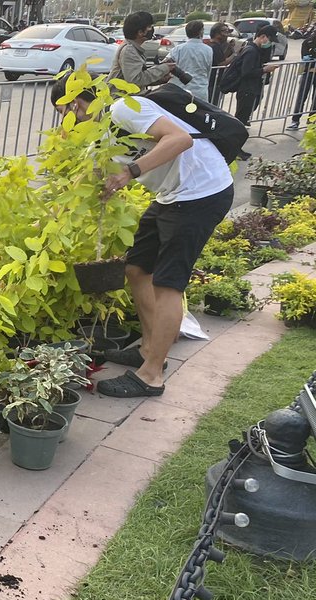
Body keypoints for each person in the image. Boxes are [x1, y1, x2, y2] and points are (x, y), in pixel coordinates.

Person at [50, 78, 232, 398]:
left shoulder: (124, 109)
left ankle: (151, 375)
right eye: (63, 112)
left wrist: (128, 173)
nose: (70, 116)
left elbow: (180, 139)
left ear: (82, 101)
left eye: (70, 107)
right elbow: (102, 177)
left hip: (202, 191)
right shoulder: (99, 138)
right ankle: (148, 349)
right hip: (171, 196)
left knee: (168, 283)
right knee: (136, 269)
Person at [229, 25, 282, 136]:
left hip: (250, 89)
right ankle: (235, 146)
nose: (270, 43)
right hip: (247, 89)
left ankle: (238, 144)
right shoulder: (251, 51)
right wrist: (264, 69)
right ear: (263, 36)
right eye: (270, 39)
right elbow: (246, 72)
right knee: (240, 120)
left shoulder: (255, 49)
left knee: (242, 119)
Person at [111, 11, 177, 90]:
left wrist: (160, 79)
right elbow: (134, 81)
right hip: (122, 99)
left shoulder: (133, 48)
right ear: (140, 32)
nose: (151, 29)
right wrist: (164, 68)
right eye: (149, 26)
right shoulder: (129, 50)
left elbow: (139, 78)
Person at [166, 20, 212, 102]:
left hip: (179, 88)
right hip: (200, 89)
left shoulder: (178, 49)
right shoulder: (208, 50)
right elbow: (208, 69)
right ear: (201, 32)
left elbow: (166, 63)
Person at [287, 26, 316, 130]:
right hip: (307, 73)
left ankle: (312, 121)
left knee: (315, 99)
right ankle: (295, 120)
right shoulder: (308, 42)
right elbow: (305, 58)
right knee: (301, 97)